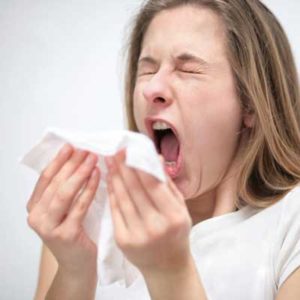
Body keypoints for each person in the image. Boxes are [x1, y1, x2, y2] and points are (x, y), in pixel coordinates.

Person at [27, 0, 300, 299]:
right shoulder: (84, 220)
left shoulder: (290, 223)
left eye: (187, 69)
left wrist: (169, 272)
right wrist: (74, 272)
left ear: (250, 102)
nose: (151, 88)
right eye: (147, 70)